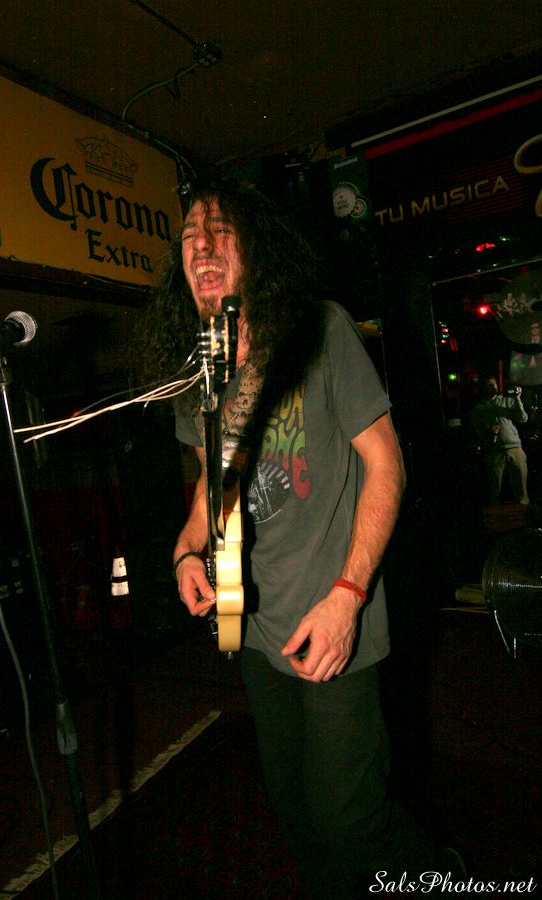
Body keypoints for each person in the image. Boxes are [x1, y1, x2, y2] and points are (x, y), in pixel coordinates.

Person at [138, 178, 462, 897]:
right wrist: (187, 548)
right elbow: (210, 484)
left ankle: (446, 880)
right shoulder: (201, 371)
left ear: (254, 251)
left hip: (334, 614)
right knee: (296, 815)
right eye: (189, 235)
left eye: (220, 230)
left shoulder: (318, 330)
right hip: (253, 626)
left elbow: (387, 464)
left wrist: (348, 595)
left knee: (351, 820)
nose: (201, 245)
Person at [470, 375, 529, 506]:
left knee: (521, 484)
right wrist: (488, 431)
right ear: (483, 388)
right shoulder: (479, 408)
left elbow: (523, 418)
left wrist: (517, 399)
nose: (493, 386)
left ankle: (524, 512)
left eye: (494, 384)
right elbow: (475, 430)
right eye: (489, 384)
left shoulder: (507, 401)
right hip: (493, 451)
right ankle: (495, 513)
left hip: (514, 448)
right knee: (494, 487)